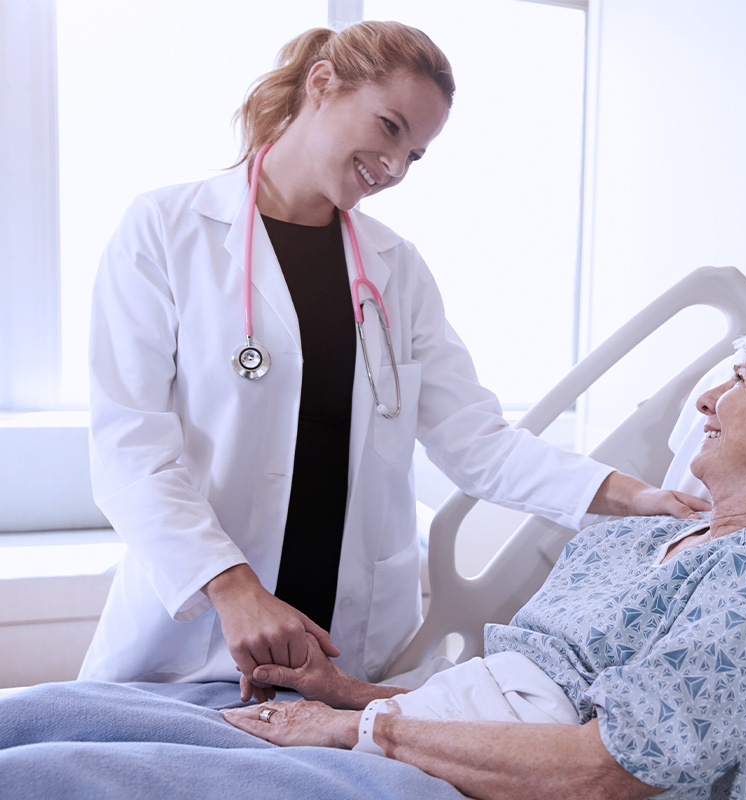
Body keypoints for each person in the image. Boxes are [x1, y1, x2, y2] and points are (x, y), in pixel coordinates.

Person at [1, 316, 746, 800]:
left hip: (464, 783)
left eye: (739, 380)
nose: (708, 395)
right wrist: (350, 694)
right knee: (42, 715)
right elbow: (520, 687)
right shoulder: (640, 537)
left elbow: (604, 769)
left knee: (55, 781)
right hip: (416, 733)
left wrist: (367, 731)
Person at [81, 20, 707, 702]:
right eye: (389, 128)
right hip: (196, 642)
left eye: (416, 154)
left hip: (348, 656)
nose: (395, 168)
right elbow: (131, 450)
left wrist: (634, 497)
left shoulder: (394, 270)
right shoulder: (167, 231)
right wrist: (234, 589)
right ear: (322, 85)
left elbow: (477, 443)